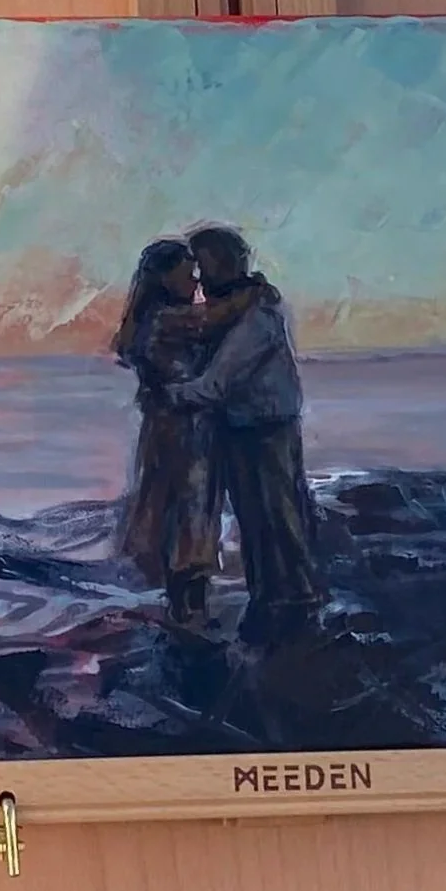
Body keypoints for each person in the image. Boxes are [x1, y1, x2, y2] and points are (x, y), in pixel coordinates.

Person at [169, 225, 321, 644]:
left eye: (203, 265)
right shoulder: (236, 311)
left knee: (276, 518)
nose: (198, 277)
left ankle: (294, 604)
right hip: (247, 428)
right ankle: (275, 601)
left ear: (223, 263)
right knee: (260, 521)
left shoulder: (256, 316)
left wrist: (169, 393)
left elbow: (218, 382)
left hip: (265, 429)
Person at [112, 238, 223, 626]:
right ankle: (189, 608)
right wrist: (257, 293)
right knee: (190, 512)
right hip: (184, 431)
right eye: (186, 270)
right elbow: (219, 318)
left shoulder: (146, 321)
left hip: (163, 430)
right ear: (163, 276)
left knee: (170, 511)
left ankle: (182, 606)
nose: (195, 277)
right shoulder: (173, 319)